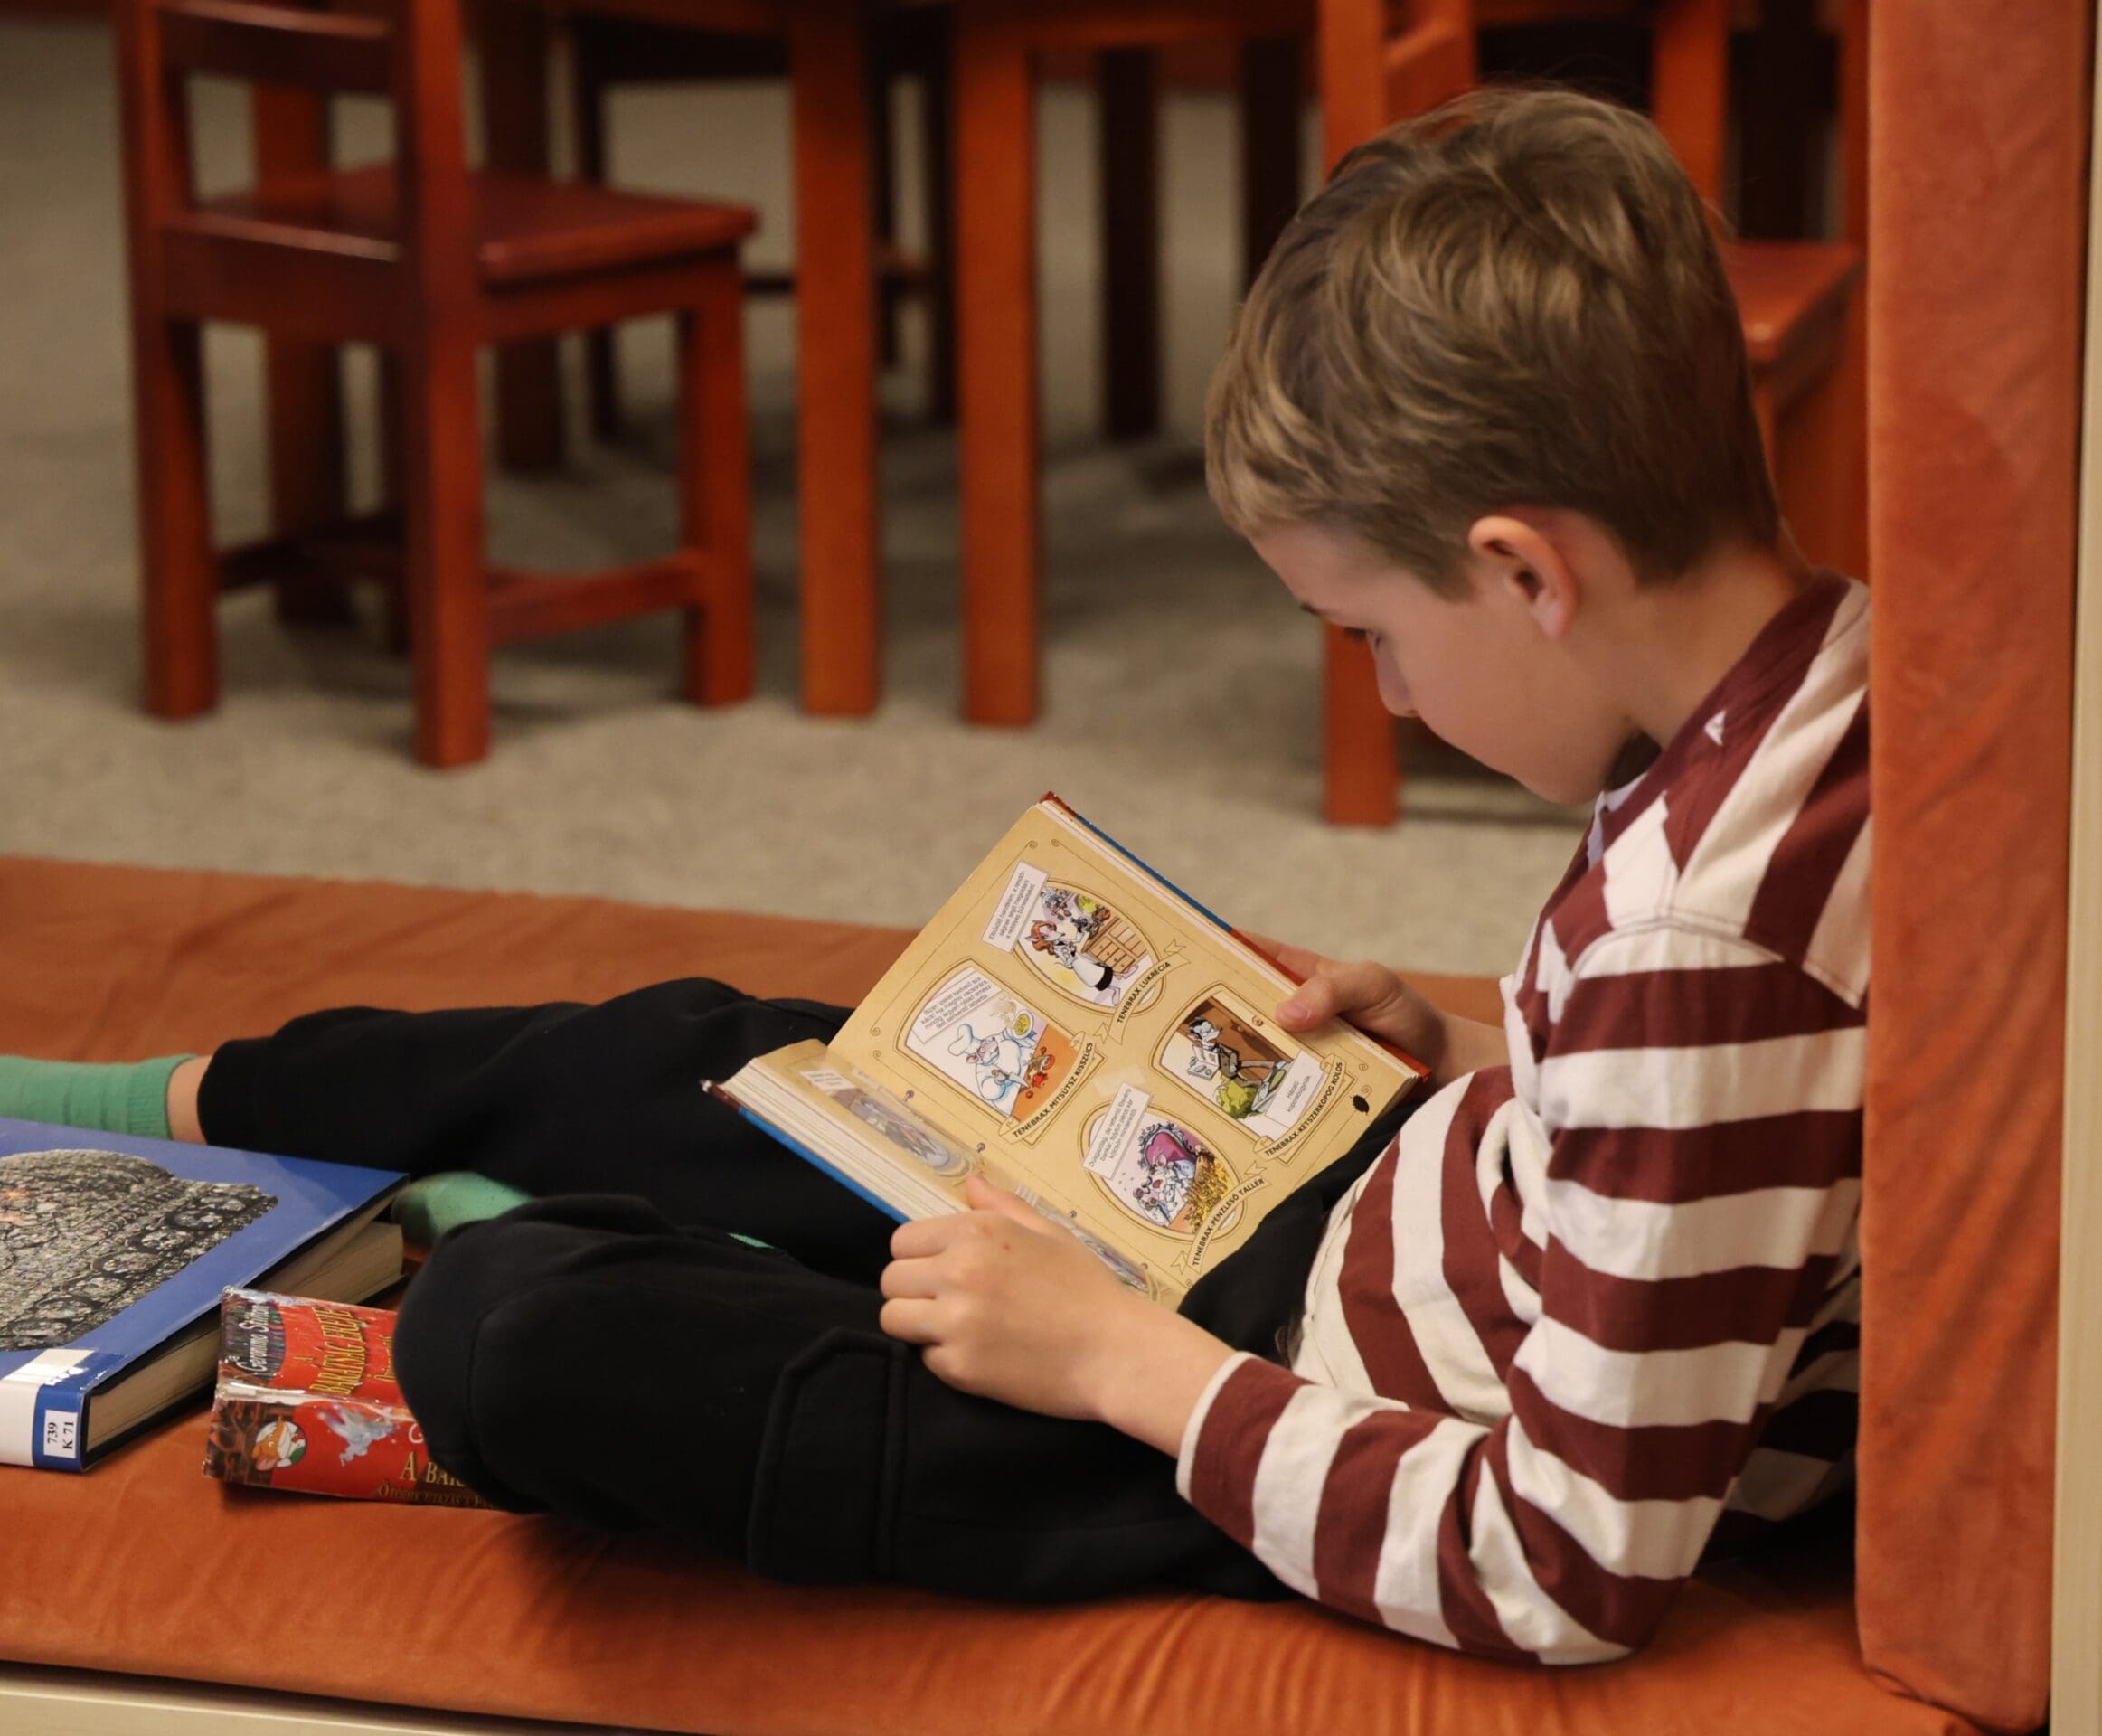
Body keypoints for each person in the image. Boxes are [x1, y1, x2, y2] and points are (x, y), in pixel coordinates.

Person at [0, 84, 1866, 1663]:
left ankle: (540, 1239)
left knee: (518, 1331)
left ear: (1526, 571)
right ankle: (161, 1107)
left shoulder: (1701, 947)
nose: (1380, 693)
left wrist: (1115, 1364)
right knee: (711, 1056)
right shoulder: (1815, 692)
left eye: (1368, 631)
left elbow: (1559, 1564)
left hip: (1256, 1421)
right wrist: (1462, 1054)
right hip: (1352, 1198)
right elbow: (1693, 1136)